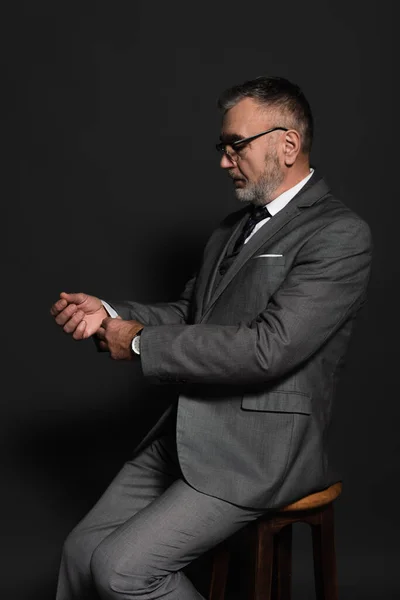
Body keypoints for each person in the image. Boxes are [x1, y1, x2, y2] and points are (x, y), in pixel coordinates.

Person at [50, 75, 372, 600]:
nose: (224, 161)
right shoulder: (230, 229)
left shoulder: (339, 235)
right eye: (221, 147)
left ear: (287, 144)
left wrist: (137, 343)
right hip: (185, 430)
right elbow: (191, 311)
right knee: (79, 553)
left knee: (120, 570)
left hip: (256, 453)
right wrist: (110, 314)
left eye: (235, 146)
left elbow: (270, 348)